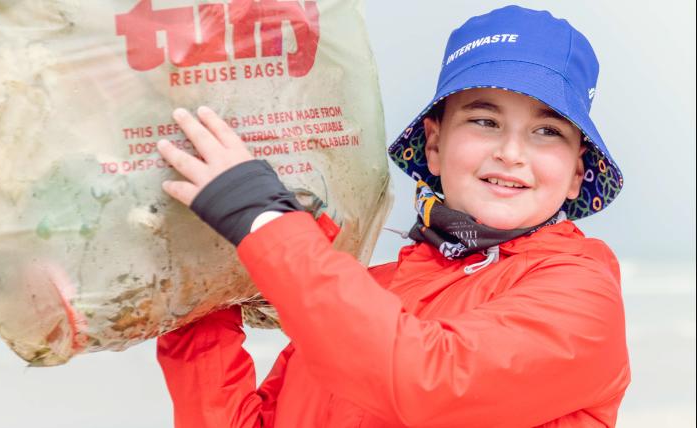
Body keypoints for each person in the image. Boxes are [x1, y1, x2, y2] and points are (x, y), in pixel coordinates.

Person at [155, 5, 630, 427]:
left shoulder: (579, 294)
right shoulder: (370, 292)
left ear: (575, 174)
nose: (510, 152)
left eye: (546, 131)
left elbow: (428, 381)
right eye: (485, 121)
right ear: (436, 144)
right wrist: (201, 292)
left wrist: (265, 221)